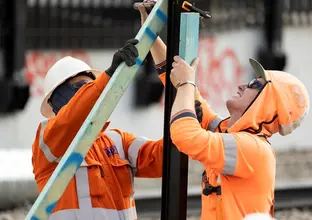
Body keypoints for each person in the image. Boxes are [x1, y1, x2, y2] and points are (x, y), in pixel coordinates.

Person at [137, 2, 310, 220]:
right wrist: (152, 34)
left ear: (269, 105)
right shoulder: (234, 136)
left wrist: (185, 85)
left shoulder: (253, 149)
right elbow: (186, 92)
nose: (242, 85)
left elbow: (185, 135)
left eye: (254, 85)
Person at [31, 39, 165, 219]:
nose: (93, 93)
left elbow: (163, 158)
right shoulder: (48, 141)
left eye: (92, 86)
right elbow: (74, 116)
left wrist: (184, 121)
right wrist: (108, 77)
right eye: (83, 88)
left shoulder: (118, 142)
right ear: (59, 99)